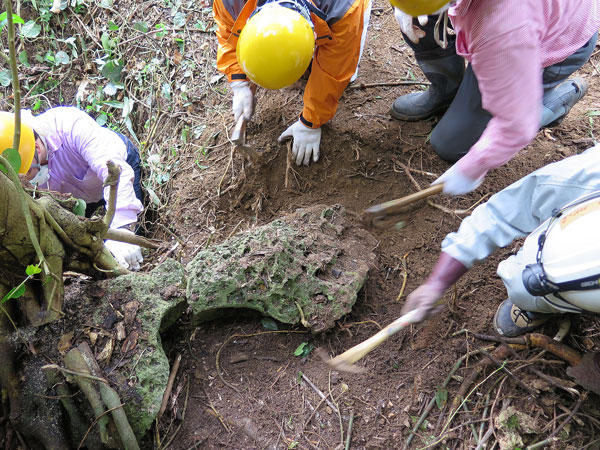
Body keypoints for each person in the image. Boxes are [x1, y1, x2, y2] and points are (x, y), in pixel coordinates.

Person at [388, 0, 600, 196]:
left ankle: (548, 103)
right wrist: (409, 6)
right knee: (419, 20)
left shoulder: (503, 27)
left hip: (552, 43)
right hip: (505, 32)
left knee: (451, 145)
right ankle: (446, 93)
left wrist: (471, 168)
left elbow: (516, 126)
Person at [401, 143, 600, 338]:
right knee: (524, 289)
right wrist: (436, 284)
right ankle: (544, 301)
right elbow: (497, 215)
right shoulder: (579, 179)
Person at [213, 0, 372, 166]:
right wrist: (239, 83)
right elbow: (228, 31)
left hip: (343, 12)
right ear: (248, 21)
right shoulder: (230, 3)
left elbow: (335, 71)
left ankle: (309, 58)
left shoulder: (344, 9)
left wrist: (310, 123)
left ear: (314, 35)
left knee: (344, 71)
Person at [19, 107, 145, 271]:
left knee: (132, 246)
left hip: (116, 169)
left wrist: (123, 228)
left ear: (36, 147)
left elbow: (114, 170)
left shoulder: (69, 126)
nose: (26, 179)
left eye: (28, 171)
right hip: (79, 197)